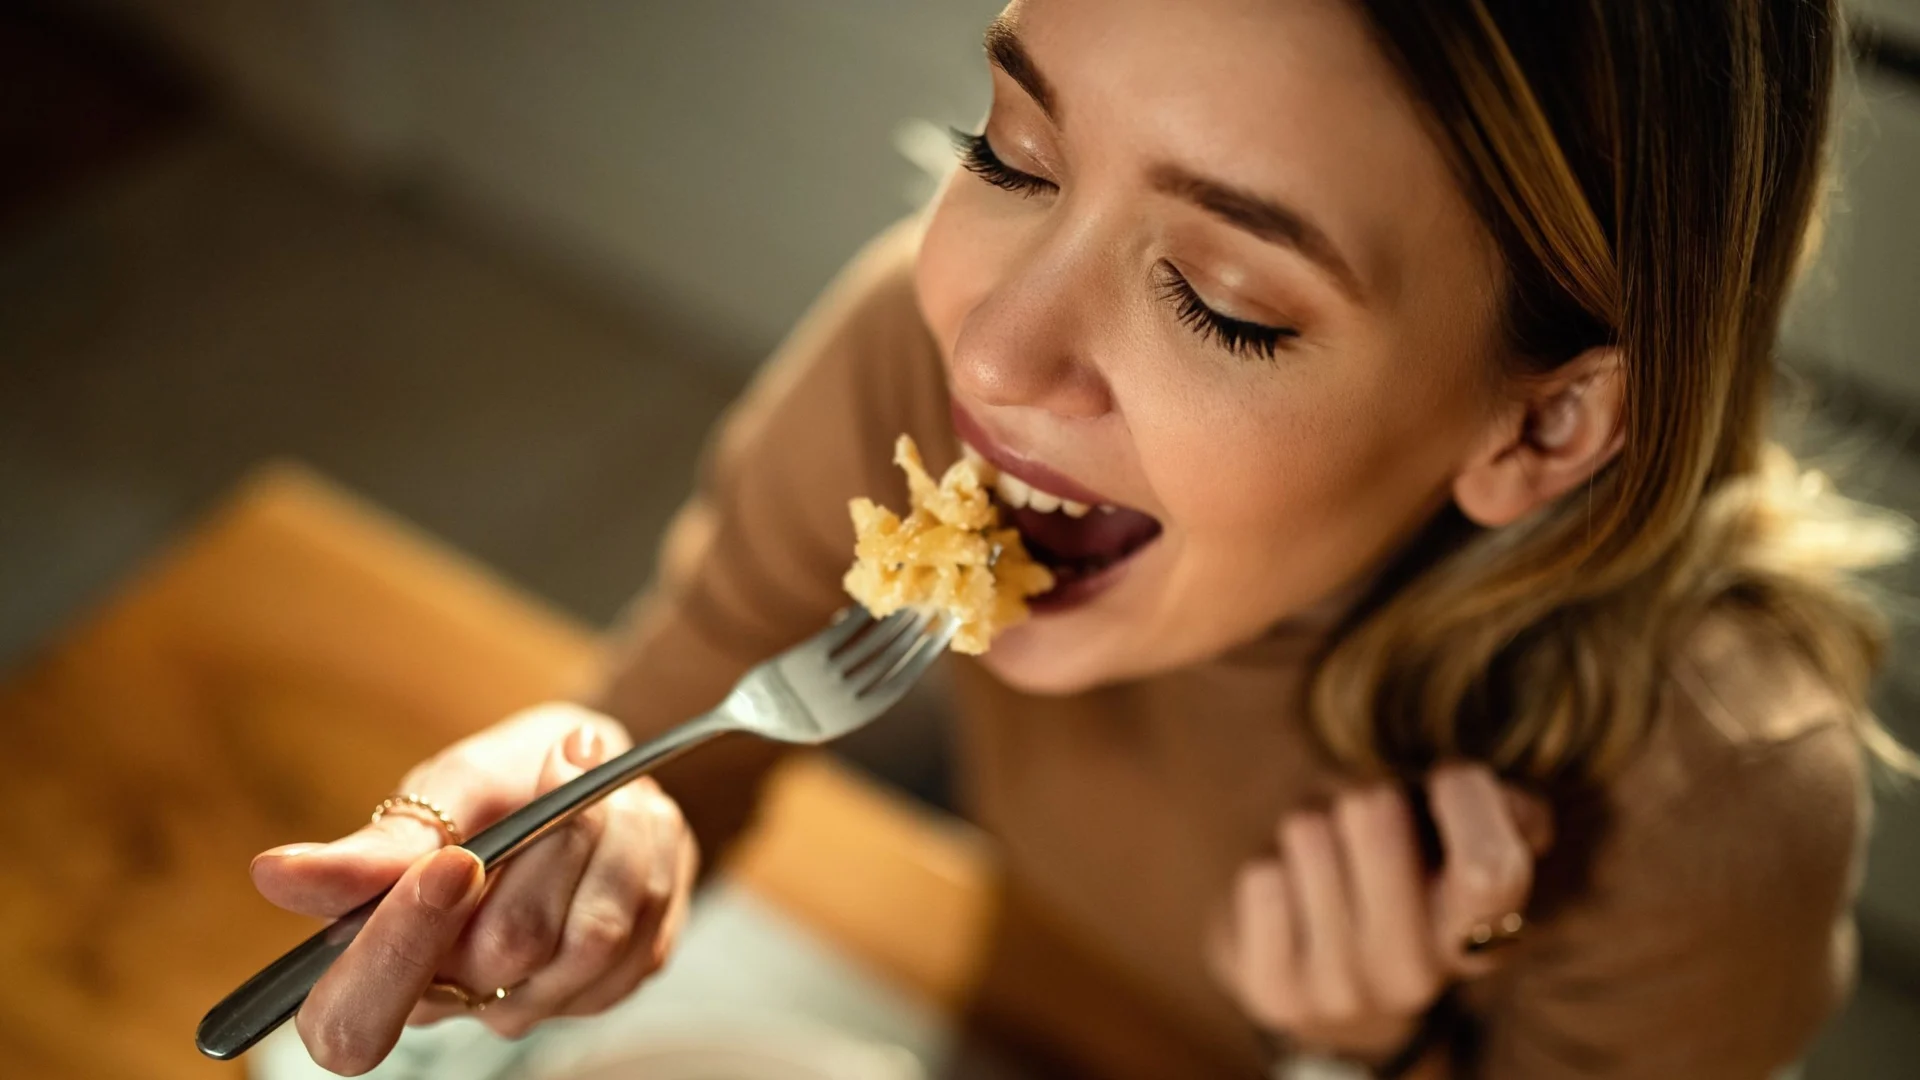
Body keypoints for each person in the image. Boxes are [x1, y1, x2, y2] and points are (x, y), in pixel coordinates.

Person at [246, 0, 1914, 1076]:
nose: (990, 353)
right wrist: (584, 819)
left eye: (1225, 300)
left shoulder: (1714, 788)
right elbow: (686, 717)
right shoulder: (918, 352)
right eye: (1014, 151)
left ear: (1542, 423)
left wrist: (1366, 1060)